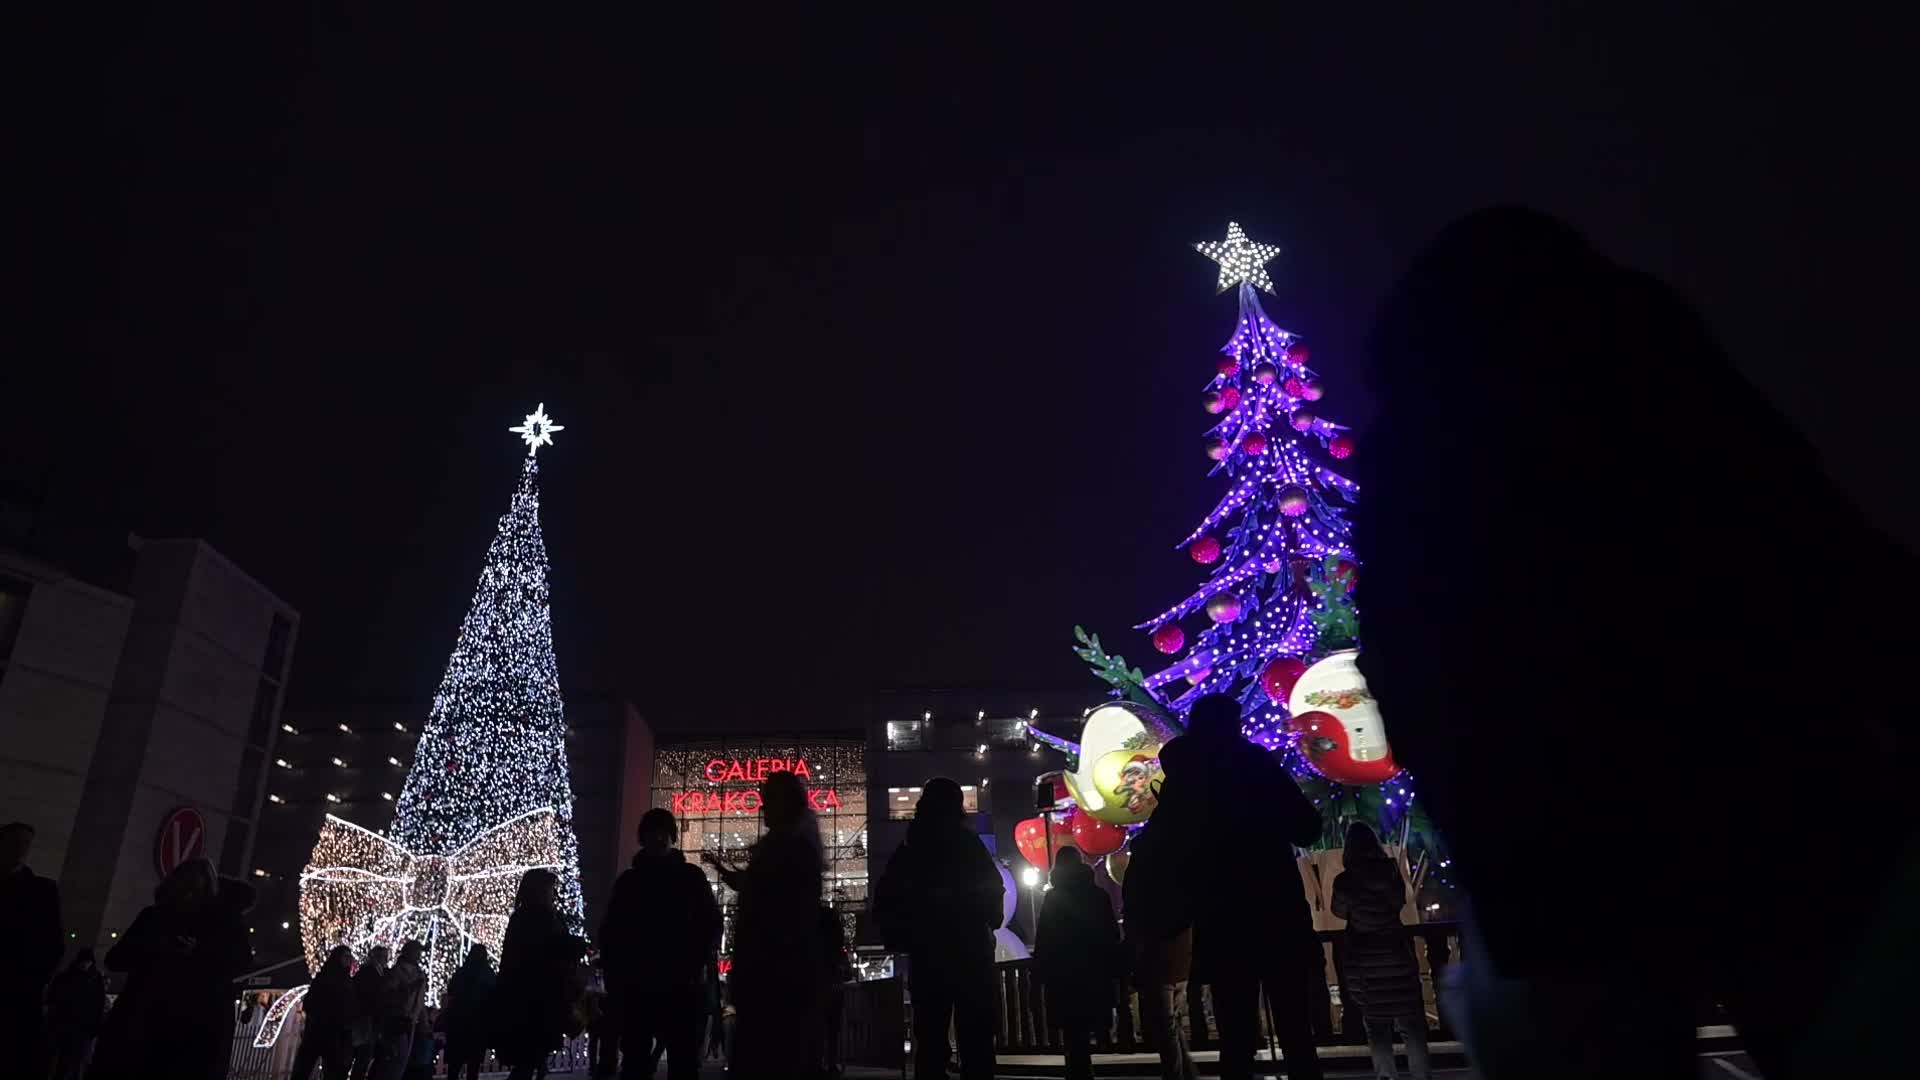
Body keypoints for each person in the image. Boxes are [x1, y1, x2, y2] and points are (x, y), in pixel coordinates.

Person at [1358, 207, 1920, 1079]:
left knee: (1604, 1038)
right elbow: (1814, 544)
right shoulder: (1659, 375)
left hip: (1559, 829)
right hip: (1757, 772)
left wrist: (1479, 814)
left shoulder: (1422, 433)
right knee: (1824, 1019)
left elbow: (1404, 649)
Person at [1125, 694, 1323, 1080]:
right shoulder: (1257, 766)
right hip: (1276, 908)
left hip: (1219, 919)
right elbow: (1307, 826)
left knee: (1236, 1035)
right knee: (1296, 1030)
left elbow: (1157, 853)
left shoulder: (1183, 782)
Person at [873, 777, 1004, 1080]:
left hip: (928, 953)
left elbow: (886, 898)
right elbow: (993, 889)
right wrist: (989, 920)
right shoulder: (969, 844)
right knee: (976, 1038)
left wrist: (902, 935)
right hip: (971, 950)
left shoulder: (910, 849)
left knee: (930, 1038)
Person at [87, 858, 253, 1080]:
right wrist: (154, 949)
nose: (187, 897)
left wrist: (199, 953)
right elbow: (116, 958)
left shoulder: (224, 924)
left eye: (194, 891)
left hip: (193, 1028)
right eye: (184, 890)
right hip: (145, 1023)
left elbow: (241, 962)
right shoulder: (154, 917)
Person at [706, 770, 825, 1080]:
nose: (763, 809)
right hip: (773, 970)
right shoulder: (791, 845)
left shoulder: (790, 849)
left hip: (773, 971)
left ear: (787, 803)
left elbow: (770, 899)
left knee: (770, 1054)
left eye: (769, 801)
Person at [600, 807, 722, 1080]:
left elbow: (712, 923)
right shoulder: (634, 882)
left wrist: (698, 959)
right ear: (644, 838)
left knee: (674, 1059)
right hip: (645, 984)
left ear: (671, 837)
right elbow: (612, 933)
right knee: (645, 1059)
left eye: (663, 833)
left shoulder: (686, 879)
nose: (658, 839)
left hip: (674, 982)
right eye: (653, 833)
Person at [1330, 824, 1430, 1080]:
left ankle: (1386, 1077)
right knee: (1413, 1029)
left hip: (1365, 965)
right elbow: (1399, 901)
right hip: (1397, 957)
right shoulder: (1391, 872)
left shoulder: (1344, 881)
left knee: (1377, 1031)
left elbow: (1338, 912)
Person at [494, 867, 588, 1080]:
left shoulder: (527, 917)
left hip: (534, 998)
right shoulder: (537, 918)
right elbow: (548, 948)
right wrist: (574, 946)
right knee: (530, 1058)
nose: (553, 894)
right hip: (537, 999)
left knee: (533, 1059)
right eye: (549, 889)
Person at [1036, 847, 1121, 1080]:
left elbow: (1044, 940)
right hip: (1093, 973)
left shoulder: (1053, 900)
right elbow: (1111, 934)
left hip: (1064, 976)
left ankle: (1077, 1070)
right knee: (1090, 1025)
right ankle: (1084, 1068)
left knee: (1073, 1033)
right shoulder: (1098, 896)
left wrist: (1041, 975)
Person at [0, 821, 62, 1070]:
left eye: (24, 844)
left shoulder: (43, 890)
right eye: (15, 842)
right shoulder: (41, 890)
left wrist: (34, 979)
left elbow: (53, 942)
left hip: (19, 989)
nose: (20, 849)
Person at [291, 945, 358, 1080]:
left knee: (334, 1071)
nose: (348, 961)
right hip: (318, 1031)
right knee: (304, 1069)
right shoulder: (324, 978)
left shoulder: (348, 981)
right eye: (346, 957)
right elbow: (309, 1003)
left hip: (336, 1034)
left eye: (349, 958)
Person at [369, 940, 427, 1080]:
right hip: (398, 1021)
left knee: (401, 1061)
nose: (419, 955)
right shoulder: (400, 972)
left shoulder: (417, 972)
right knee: (395, 1060)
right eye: (417, 952)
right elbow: (390, 994)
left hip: (409, 1020)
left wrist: (423, 1019)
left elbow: (419, 1000)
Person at [45, 947, 106, 1080]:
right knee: (72, 1061)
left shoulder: (67, 977)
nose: (85, 965)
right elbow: (98, 1004)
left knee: (62, 1059)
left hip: (69, 1024)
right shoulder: (95, 979)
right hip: (77, 1025)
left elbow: (53, 999)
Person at [441, 944, 495, 1080]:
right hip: (477, 1024)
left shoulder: (462, 973)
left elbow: (451, 992)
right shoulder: (487, 974)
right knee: (473, 1066)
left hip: (459, 1023)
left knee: (455, 1065)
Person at [819, 905, 854, 1076]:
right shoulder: (838, 951)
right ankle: (831, 1063)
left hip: (818, 993)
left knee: (819, 1029)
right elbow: (848, 973)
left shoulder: (813, 947)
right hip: (834, 994)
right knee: (832, 1031)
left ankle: (819, 1063)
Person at [348, 945, 391, 1079]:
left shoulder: (374, 972)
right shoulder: (370, 973)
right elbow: (371, 996)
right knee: (363, 1056)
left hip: (369, 1019)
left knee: (365, 1056)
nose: (386, 960)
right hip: (366, 1019)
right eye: (383, 957)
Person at [403, 1006, 441, 1080]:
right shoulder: (424, 1029)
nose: (436, 1016)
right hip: (420, 1064)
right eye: (434, 1013)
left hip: (421, 1063)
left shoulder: (429, 1028)